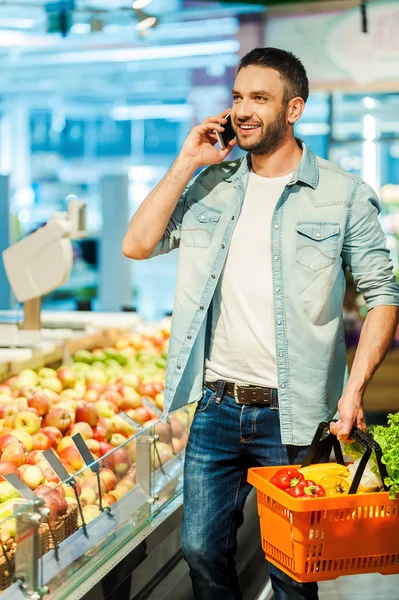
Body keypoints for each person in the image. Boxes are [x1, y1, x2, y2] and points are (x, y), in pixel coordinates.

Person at [123, 47, 399, 600]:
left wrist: (354, 391)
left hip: (296, 416)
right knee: (201, 551)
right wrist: (185, 162)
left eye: (260, 98)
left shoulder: (342, 195)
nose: (243, 110)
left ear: (293, 108)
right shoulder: (210, 186)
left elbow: (383, 296)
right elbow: (137, 244)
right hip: (216, 408)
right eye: (237, 97)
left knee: (294, 576)